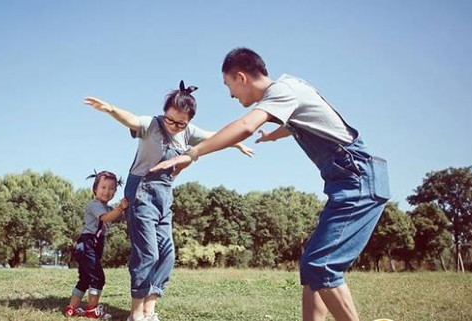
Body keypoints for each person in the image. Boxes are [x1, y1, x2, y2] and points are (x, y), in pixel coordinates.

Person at [150, 48, 390, 321]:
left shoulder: (282, 91)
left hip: (357, 178)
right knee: (312, 265)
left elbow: (246, 125)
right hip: (351, 179)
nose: (231, 95)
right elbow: (304, 121)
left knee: (321, 265)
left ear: (241, 77)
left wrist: (191, 153)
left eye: (229, 87)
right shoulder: (292, 86)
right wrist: (274, 136)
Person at [84, 81, 254, 321]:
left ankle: (150, 309)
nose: (174, 126)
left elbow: (215, 137)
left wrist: (236, 143)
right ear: (164, 113)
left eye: (180, 123)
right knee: (148, 254)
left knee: (167, 254)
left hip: (164, 196)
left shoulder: (188, 132)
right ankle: (136, 313)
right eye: (170, 120)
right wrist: (110, 109)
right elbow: (132, 119)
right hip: (141, 191)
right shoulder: (152, 125)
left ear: (188, 120)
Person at [64, 170, 129, 319]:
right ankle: (91, 309)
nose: (107, 191)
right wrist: (120, 208)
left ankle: (71, 308)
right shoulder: (94, 205)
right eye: (103, 187)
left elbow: (119, 217)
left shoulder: (108, 208)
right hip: (87, 244)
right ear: (95, 189)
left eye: (111, 188)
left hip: (93, 245)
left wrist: (127, 211)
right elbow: (106, 218)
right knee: (98, 278)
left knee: (85, 279)